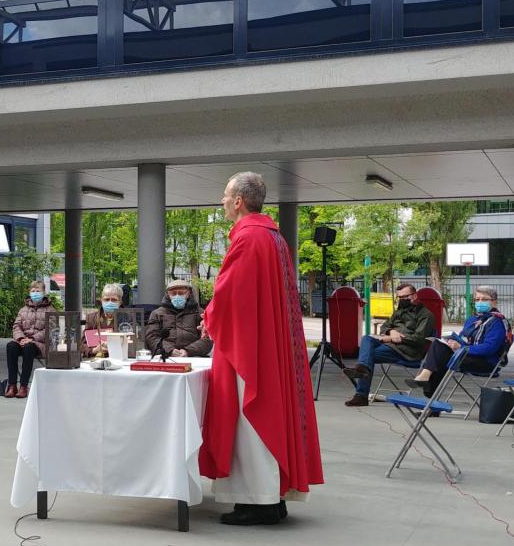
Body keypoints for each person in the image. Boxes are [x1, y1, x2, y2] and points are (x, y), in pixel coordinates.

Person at [198, 172, 323, 526]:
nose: (221, 201)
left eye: (225, 196)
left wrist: (209, 315)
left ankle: (259, 501)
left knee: (249, 416)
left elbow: (230, 294)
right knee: (261, 414)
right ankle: (273, 495)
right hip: (266, 342)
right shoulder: (272, 236)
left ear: (239, 201)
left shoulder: (250, 238)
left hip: (249, 348)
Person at [406, 286, 510, 399]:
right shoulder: (472, 320)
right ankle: (428, 387)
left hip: (486, 362)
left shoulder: (498, 322)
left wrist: (462, 347)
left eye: (484, 299)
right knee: (439, 345)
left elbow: (489, 348)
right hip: (466, 354)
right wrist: (452, 342)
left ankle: (428, 390)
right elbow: (462, 338)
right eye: (477, 299)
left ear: (494, 302)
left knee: (441, 357)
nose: (480, 302)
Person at [342, 283, 434, 407]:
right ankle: (362, 370)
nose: (402, 300)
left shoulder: (425, 315)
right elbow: (385, 326)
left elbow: (419, 339)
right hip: (390, 345)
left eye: (404, 297)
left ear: (415, 295)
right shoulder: (399, 311)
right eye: (399, 297)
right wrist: (391, 332)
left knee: (368, 356)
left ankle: (361, 395)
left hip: (407, 351)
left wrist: (397, 338)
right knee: (367, 339)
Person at [5, 281, 56, 399]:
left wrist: (32, 339)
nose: (35, 293)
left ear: (44, 293)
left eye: (38, 291)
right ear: (29, 293)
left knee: (29, 348)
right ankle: (12, 385)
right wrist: (21, 338)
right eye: (33, 291)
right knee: (11, 346)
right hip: (23, 340)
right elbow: (16, 326)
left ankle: (23, 386)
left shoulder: (51, 310)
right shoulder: (23, 310)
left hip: (39, 344)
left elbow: (51, 329)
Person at [145, 279, 212, 358]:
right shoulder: (157, 314)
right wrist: (169, 350)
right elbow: (152, 337)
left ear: (189, 293)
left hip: (194, 356)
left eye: (181, 293)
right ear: (168, 295)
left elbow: (208, 338)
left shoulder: (201, 313)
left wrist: (188, 351)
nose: (177, 296)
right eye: (173, 294)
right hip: (166, 356)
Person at [82, 283, 123, 358]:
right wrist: (94, 350)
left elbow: (133, 343)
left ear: (120, 302)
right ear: (101, 300)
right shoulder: (91, 318)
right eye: (106, 299)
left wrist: (113, 347)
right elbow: (82, 344)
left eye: (114, 300)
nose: (110, 302)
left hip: (118, 359)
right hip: (95, 360)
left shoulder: (126, 318)